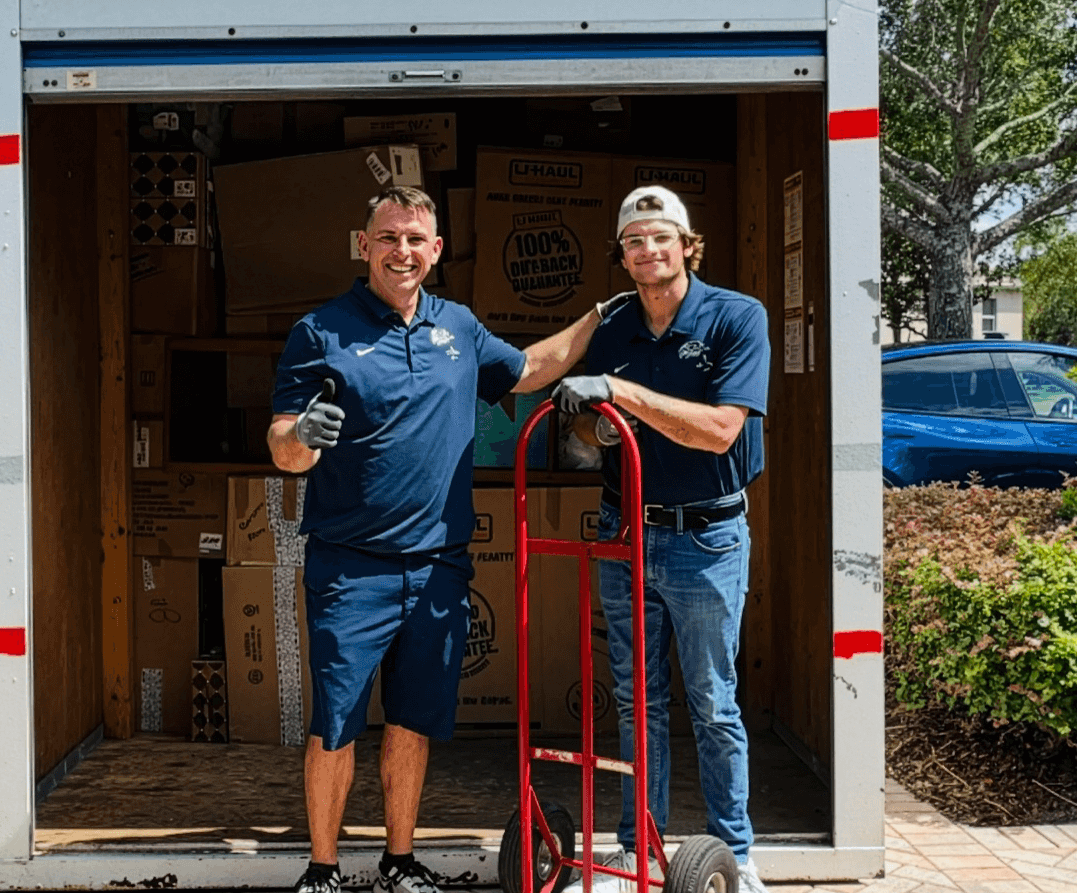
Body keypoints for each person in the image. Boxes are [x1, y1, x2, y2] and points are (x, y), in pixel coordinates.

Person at [269, 185, 625, 893]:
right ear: (363, 245)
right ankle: (322, 868)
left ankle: (400, 862)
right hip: (350, 568)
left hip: (437, 569)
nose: (402, 251)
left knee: (412, 722)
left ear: (435, 251)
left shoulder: (458, 328)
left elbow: (527, 372)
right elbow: (281, 443)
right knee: (335, 723)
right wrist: (302, 436)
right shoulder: (321, 331)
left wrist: (598, 315)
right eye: (388, 237)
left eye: (415, 240)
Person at [550, 186, 770, 893]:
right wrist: (590, 424)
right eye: (635, 241)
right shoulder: (612, 324)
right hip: (625, 530)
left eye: (661, 238)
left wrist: (621, 394)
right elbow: (582, 422)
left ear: (686, 244)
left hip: (706, 537)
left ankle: (736, 854)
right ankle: (636, 848)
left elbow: (720, 431)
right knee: (634, 698)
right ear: (622, 256)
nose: (649, 251)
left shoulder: (737, 316)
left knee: (711, 699)